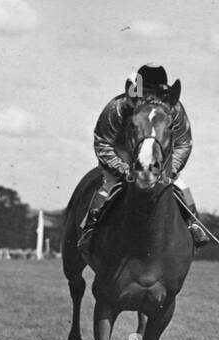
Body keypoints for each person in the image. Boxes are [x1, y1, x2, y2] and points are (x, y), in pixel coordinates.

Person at [79, 63, 210, 255]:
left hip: (158, 157)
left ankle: (195, 224)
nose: (150, 97)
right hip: (122, 153)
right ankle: (90, 230)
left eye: (155, 92)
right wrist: (121, 168)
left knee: (181, 185)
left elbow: (183, 143)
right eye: (146, 91)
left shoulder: (173, 109)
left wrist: (169, 169)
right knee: (108, 185)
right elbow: (103, 141)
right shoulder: (118, 107)